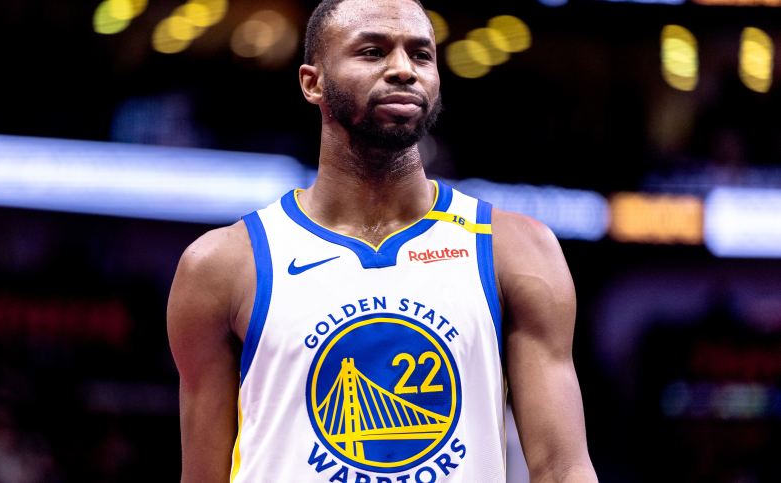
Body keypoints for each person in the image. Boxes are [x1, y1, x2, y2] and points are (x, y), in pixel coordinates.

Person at [167, 0, 599, 481]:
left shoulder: (515, 249)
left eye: (421, 56)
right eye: (373, 52)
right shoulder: (223, 264)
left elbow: (563, 469)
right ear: (313, 83)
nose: (403, 70)